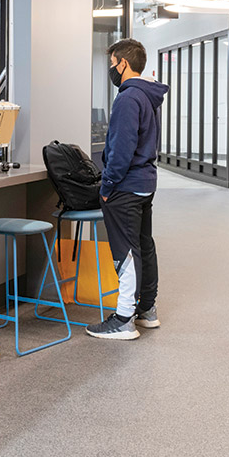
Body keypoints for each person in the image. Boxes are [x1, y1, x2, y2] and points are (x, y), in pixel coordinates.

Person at [86, 38, 169, 341]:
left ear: (123, 63)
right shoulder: (148, 96)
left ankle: (123, 319)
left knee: (126, 251)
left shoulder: (128, 98)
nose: (111, 70)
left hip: (126, 184)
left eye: (111, 64)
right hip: (146, 181)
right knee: (144, 245)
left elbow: (122, 148)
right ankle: (147, 309)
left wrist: (107, 185)